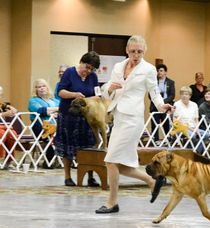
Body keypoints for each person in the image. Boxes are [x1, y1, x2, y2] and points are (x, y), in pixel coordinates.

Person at [95, 35, 173, 214]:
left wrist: (161, 106)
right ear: (126, 51)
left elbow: (154, 92)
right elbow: (107, 91)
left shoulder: (149, 69)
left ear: (144, 51)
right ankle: (151, 181)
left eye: (139, 51)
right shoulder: (118, 67)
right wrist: (109, 88)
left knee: (110, 160)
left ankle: (112, 202)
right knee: (120, 165)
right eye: (132, 51)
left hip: (133, 119)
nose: (136, 55)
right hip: (118, 116)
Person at [55, 51, 101, 186]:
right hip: (68, 115)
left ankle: (90, 177)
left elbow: (98, 96)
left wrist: (85, 99)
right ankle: (67, 177)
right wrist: (74, 95)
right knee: (68, 147)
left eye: (91, 69)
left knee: (90, 146)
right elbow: (61, 92)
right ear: (81, 62)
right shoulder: (69, 72)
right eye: (87, 67)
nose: (88, 71)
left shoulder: (93, 77)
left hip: (87, 117)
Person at [28, 79, 60, 169]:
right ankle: (48, 161)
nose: (41, 88)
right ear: (36, 90)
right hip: (40, 127)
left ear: (47, 87)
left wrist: (51, 111)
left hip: (57, 126)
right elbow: (41, 111)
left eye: (43, 86)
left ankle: (72, 161)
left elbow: (63, 111)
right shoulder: (33, 101)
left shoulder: (55, 100)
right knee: (53, 134)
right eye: (39, 87)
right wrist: (56, 109)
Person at [173, 86, 209, 154]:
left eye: (186, 94)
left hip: (193, 127)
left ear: (190, 96)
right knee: (193, 135)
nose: (184, 96)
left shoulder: (194, 105)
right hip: (181, 128)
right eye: (182, 94)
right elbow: (176, 121)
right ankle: (190, 152)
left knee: (206, 135)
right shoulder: (177, 104)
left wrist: (196, 129)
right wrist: (193, 130)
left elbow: (196, 119)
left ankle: (196, 152)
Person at [149, 64, 175, 143]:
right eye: (158, 71)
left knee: (166, 124)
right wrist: (158, 103)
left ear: (165, 72)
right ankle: (155, 140)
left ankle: (168, 140)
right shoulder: (153, 82)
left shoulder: (170, 82)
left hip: (166, 107)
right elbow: (150, 95)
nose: (159, 72)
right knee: (154, 124)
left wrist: (162, 103)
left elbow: (172, 95)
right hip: (154, 107)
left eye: (161, 71)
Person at [0, 86, 18, 170]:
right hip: (1, 128)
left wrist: (11, 108)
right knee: (1, 134)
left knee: (12, 134)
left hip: (3, 126)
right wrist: (3, 114)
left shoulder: (1, 104)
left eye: (0, 94)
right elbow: (3, 115)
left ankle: (9, 160)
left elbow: (15, 110)